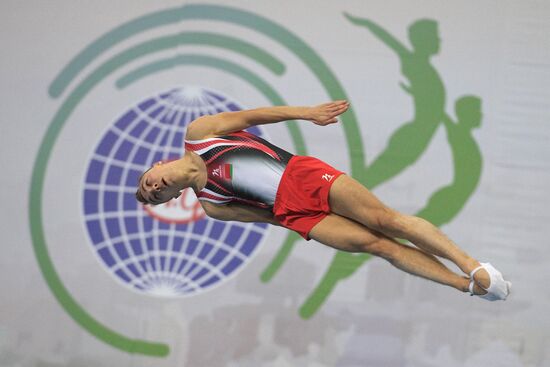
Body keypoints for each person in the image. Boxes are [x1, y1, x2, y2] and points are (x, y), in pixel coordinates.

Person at [135, 101, 511, 301]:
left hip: (301, 175)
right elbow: (267, 217)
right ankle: (465, 287)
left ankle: (473, 266)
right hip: (292, 214)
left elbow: (253, 115)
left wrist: (306, 113)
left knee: (385, 220)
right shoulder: (213, 205)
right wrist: (303, 222)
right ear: (172, 198)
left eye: (149, 183)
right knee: (376, 245)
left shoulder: (199, 133)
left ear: (156, 166)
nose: (155, 188)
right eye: (156, 195)